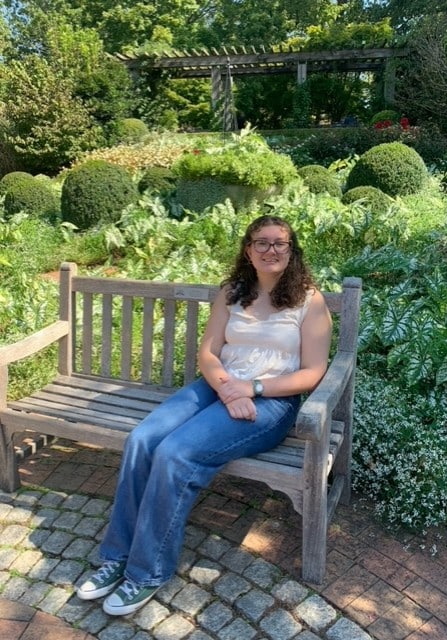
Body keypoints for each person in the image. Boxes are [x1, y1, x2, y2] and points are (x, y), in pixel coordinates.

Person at [76, 214, 332, 616]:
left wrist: (252, 388)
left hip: (271, 402)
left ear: (291, 250)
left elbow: (313, 374)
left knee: (176, 452)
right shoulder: (232, 291)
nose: (271, 250)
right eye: (261, 242)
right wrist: (228, 387)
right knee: (142, 439)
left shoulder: (309, 301)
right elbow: (208, 353)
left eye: (280, 243)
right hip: (219, 387)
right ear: (248, 250)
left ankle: (146, 573)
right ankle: (117, 556)